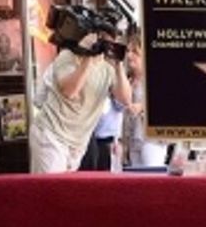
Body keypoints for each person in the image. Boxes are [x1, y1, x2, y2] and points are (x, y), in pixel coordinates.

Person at [29, 17, 133, 173]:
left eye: (112, 41)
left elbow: (125, 100)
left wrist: (118, 65)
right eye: (102, 39)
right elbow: (70, 91)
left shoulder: (108, 68)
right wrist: (88, 57)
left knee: (66, 194)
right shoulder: (68, 57)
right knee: (51, 192)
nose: (106, 45)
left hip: (77, 143)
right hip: (52, 135)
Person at [79, 96, 124, 171]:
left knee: (107, 176)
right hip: (88, 139)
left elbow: (123, 103)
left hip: (108, 140)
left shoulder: (114, 95)